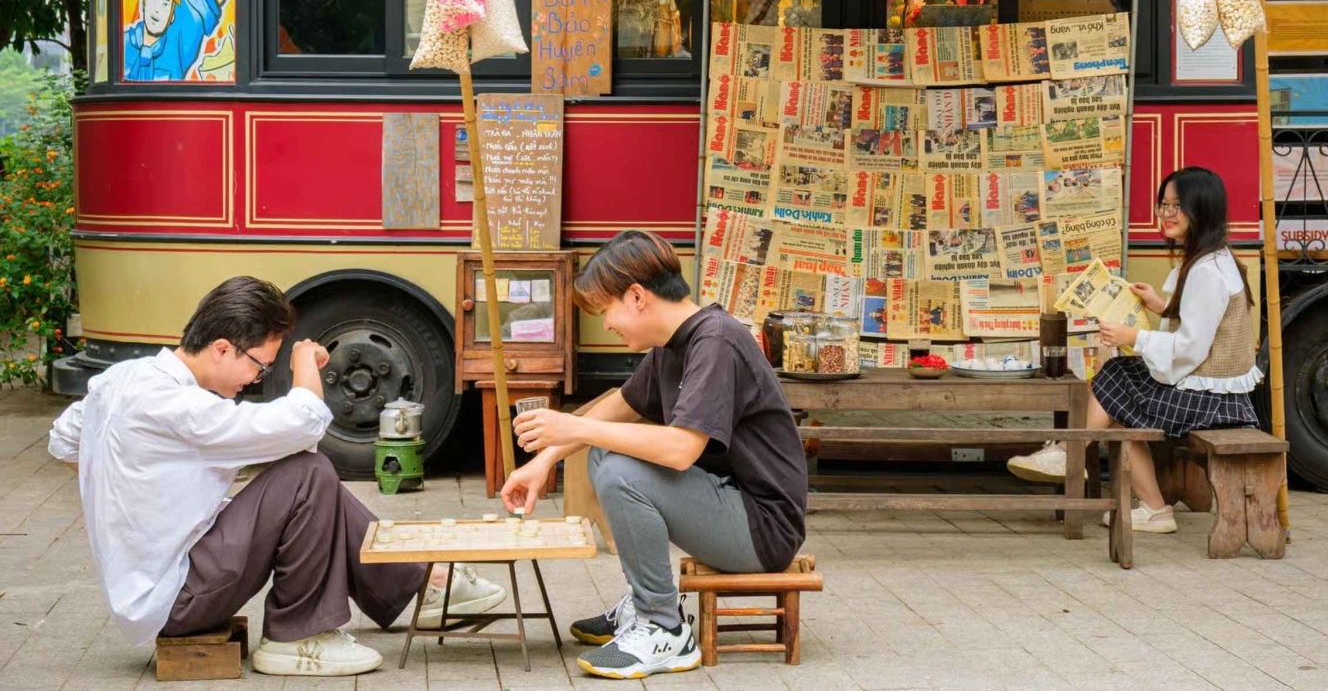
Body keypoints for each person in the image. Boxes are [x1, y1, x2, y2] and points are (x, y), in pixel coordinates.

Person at [47, 276, 508, 676]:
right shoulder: (180, 406)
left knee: (305, 480)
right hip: (177, 596)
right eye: (258, 365)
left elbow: (64, 439)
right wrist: (304, 365)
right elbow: (301, 425)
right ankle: (296, 636)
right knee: (306, 474)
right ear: (221, 348)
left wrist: (125, 493)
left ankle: (421, 582)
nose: (255, 379)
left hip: (162, 581)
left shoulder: (123, 379)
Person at [500, 230, 808, 680]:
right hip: (728, 504)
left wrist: (574, 426)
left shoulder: (716, 341)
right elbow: (618, 406)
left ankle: (664, 627)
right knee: (606, 454)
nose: (607, 324)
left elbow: (681, 450)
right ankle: (647, 603)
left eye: (605, 310)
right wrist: (542, 462)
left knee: (619, 468)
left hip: (762, 529)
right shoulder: (674, 344)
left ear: (637, 297)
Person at [1007, 166, 1261, 533]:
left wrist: (1134, 337)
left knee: (1115, 383)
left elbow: (1191, 347)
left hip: (1214, 401)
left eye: (1176, 206)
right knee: (1117, 391)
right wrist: (1161, 306)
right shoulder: (1211, 258)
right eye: (1163, 205)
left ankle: (1070, 453)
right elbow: (1203, 322)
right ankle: (1148, 506)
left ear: (1201, 208)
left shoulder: (1206, 270)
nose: (1166, 214)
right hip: (1210, 392)